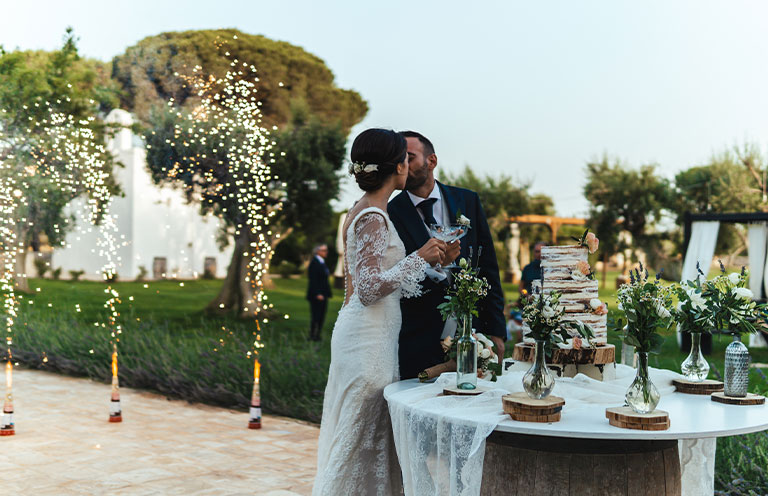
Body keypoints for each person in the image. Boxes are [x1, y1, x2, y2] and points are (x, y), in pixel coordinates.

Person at [313, 129, 446, 496]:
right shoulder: (373, 216)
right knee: (359, 436)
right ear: (397, 166)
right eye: (405, 157)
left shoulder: (362, 210)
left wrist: (427, 262)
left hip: (367, 333)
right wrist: (420, 256)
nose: (408, 164)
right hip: (368, 342)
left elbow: (358, 284)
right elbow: (370, 289)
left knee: (367, 438)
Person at [388, 131, 507, 380]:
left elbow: (488, 268)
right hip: (417, 337)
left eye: (409, 157)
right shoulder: (390, 211)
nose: (402, 165)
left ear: (431, 161)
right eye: (398, 159)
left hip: (472, 333)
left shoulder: (467, 201)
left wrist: (496, 330)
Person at [306, 244, 331, 341]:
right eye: (324, 250)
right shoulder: (314, 263)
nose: (326, 252)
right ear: (318, 251)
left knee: (321, 316)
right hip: (317, 295)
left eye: (326, 250)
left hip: (324, 294)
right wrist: (317, 293)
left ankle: (317, 335)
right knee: (316, 315)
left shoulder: (322, 262)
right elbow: (313, 280)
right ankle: (313, 335)